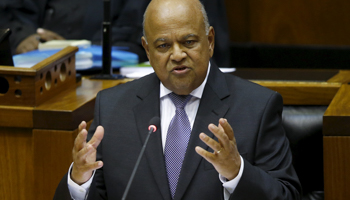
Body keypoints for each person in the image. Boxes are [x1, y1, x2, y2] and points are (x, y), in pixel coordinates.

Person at [54, 0, 301, 199]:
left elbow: (287, 195)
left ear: (210, 41)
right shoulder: (113, 108)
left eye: (189, 42)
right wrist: (79, 179)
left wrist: (237, 172)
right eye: (163, 46)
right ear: (147, 50)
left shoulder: (257, 106)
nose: (177, 55)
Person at [0, 0, 230, 66]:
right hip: (32, 68)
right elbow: (12, 10)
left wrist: (81, 48)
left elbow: (145, 29)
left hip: (106, 70)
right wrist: (21, 36)